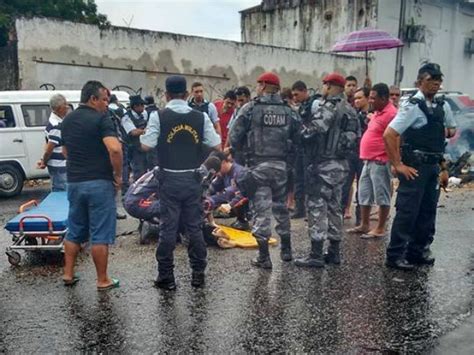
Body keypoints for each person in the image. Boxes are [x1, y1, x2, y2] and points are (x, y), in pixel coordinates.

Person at [140, 75, 221, 290]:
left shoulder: (159, 116)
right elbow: (215, 142)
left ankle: (166, 278)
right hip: (193, 179)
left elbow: (147, 145)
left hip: (169, 179)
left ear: (166, 95)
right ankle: (198, 275)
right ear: (186, 95)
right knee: (194, 227)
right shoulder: (200, 117)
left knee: (168, 228)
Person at [383, 63, 456, 270]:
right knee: (407, 212)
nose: (435, 83)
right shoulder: (412, 106)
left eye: (438, 80)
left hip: (433, 166)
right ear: (419, 82)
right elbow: (390, 134)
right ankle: (396, 255)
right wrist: (397, 164)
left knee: (427, 212)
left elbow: (443, 137)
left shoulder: (443, 106)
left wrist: (443, 168)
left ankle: (418, 251)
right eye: (430, 79)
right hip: (415, 166)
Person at [230, 72, 299, 269]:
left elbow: (235, 136)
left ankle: (264, 257)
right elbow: (299, 137)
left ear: (263, 85)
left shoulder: (250, 108)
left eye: (258, 84)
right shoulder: (289, 110)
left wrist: (239, 156)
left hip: (258, 166)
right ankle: (286, 250)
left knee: (261, 210)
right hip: (280, 167)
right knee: (281, 207)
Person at [61, 80, 123, 290]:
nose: (106, 104)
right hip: (99, 182)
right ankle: (102, 279)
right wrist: (118, 175)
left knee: (74, 229)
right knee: (100, 233)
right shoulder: (101, 119)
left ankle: (68, 274)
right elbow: (114, 149)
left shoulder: (67, 120)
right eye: (104, 100)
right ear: (93, 99)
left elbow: (65, 152)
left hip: (74, 182)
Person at [294, 73, 359, 268]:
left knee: (316, 208)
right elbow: (356, 136)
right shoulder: (350, 110)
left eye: (324, 85)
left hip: (322, 165)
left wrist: (298, 132)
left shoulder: (328, 107)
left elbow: (313, 130)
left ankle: (315, 254)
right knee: (335, 208)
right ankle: (334, 252)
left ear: (329, 86)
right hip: (341, 166)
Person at [347, 83, 396, 238]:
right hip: (368, 160)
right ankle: (364, 224)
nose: (371, 101)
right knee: (364, 193)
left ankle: (380, 228)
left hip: (380, 160)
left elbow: (396, 138)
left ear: (383, 98)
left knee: (382, 194)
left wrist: (394, 161)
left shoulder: (391, 114)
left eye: (374, 98)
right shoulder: (377, 112)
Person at [290, 80, 321, 219]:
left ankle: (311, 210)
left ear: (304, 91)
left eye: (297, 94)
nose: (295, 98)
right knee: (298, 179)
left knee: (310, 180)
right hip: (300, 147)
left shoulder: (315, 104)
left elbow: (317, 126)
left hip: (311, 148)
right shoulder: (302, 106)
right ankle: (299, 208)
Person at [342, 87, 370, 225]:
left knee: (363, 188)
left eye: (360, 98)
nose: (357, 101)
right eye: (355, 99)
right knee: (344, 186)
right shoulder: (353, 114)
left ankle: (361, 220)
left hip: (365, 155)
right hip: (351, 153)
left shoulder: (372, 115)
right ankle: (339, 216)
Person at [206, 151, 249, 231]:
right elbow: (213, 188)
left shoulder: (240, 172)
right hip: (229, 201)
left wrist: (230, 205)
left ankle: (243, 221)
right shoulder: (223, 173)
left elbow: (244, 193)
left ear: (223, 162)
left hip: (246, 202)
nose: (216, 172)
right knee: (208, 199)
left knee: (230, 191)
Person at [36, 94, 70, 191]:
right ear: (59, 108)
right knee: (62, 192)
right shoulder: (56, 126)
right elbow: (49, 148)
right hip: (59, 165)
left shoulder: (53, 121)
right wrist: (44, 162)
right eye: (65, 105)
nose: (67, 108)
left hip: (59, 165)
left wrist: (43, 160)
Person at [121, 95, 150, 180]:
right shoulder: (126, 118)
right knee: (139, 172)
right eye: (142, 105)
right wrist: (146, 131)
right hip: (133, 149)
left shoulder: (144, 114)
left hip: (144, 147)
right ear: (136, 106)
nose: (143, 107)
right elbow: (133, 132)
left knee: (147, 171)